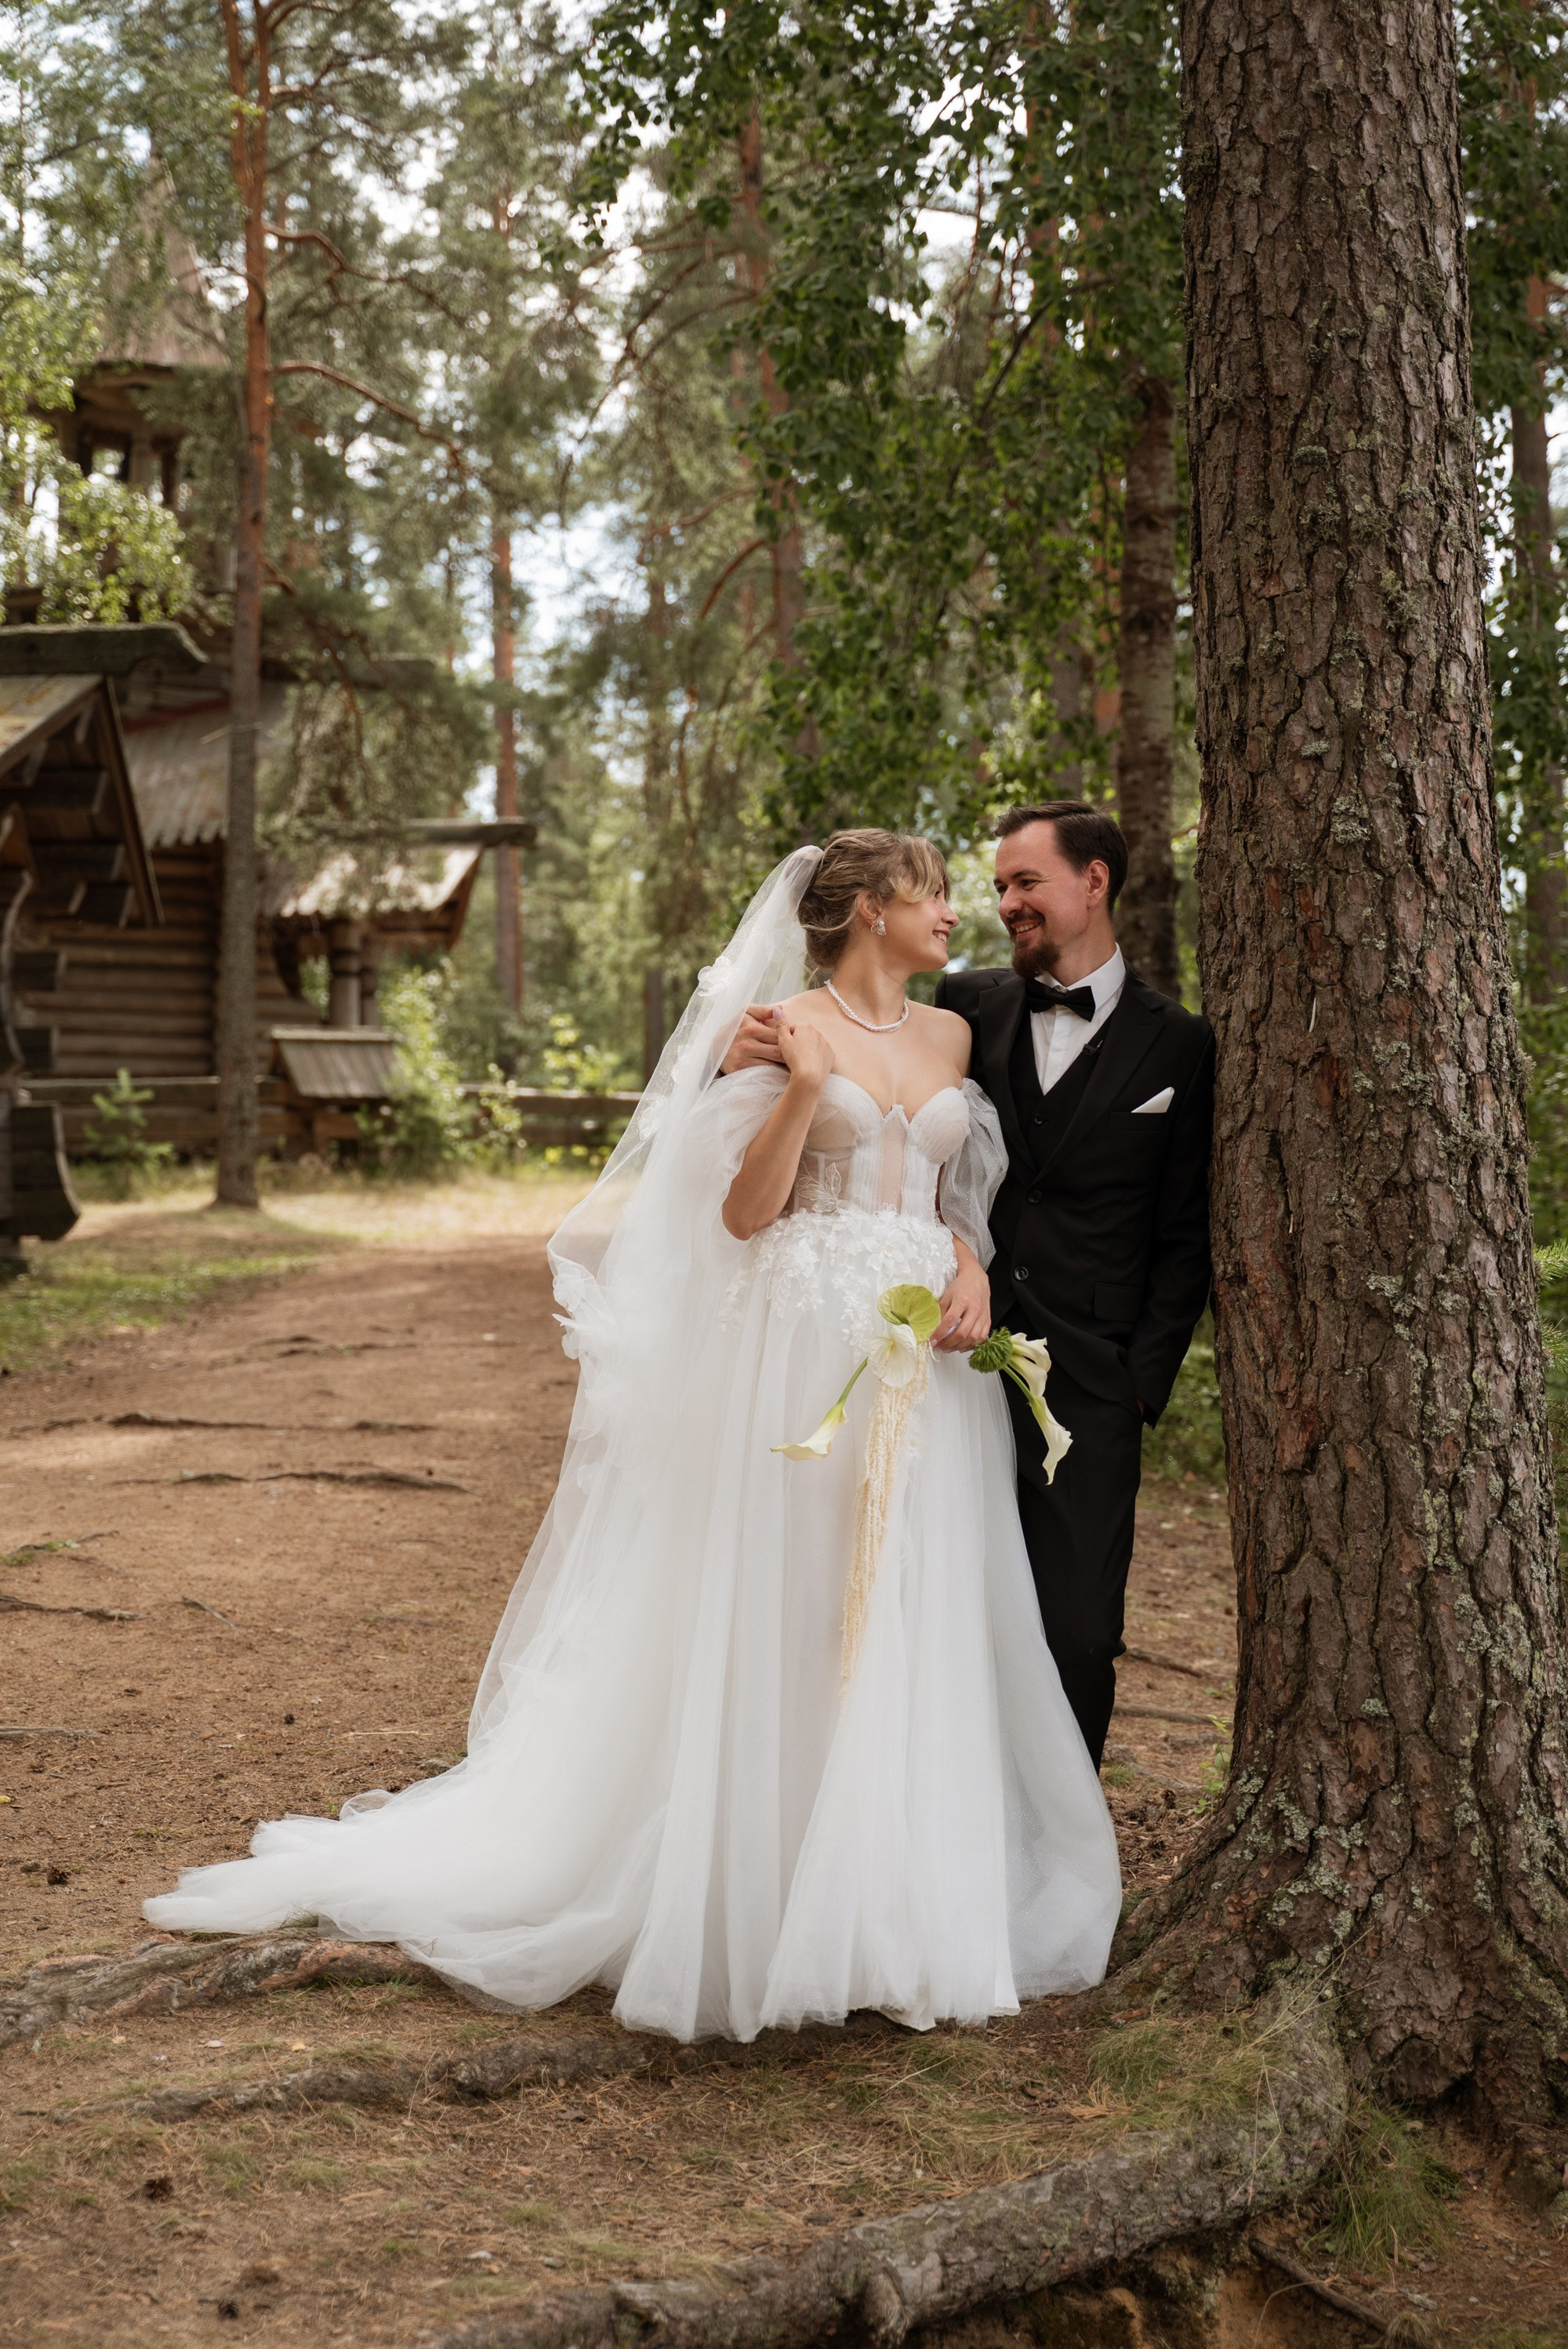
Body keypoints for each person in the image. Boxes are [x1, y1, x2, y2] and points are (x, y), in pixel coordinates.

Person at [144, 832, 1120, 2043]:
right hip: (801, 1346)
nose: (956, 914)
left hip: (929, 1362)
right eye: (930, 895)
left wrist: (968, 1263)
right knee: (796, 1601)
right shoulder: (780, 1028)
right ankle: (764, 1894)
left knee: (914, 1609)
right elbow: (745, 1211)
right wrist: (804, 1084)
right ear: (871, 910)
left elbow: (953, 1191)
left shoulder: (954, 1035)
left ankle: (894, 1899)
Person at [727, 806, 1213, 1766]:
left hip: (1078, 1373)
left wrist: (1134, 1381)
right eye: (984, 887)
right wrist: (739, 1057)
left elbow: (1181, 1229)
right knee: (888, 1593)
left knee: (1071, 1630)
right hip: (902, 1350)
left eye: (1021, 882)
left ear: (1094, 883)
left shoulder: (1176, 1045)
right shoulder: (968, 1004)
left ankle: (1041, 1844)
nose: (997, 905)